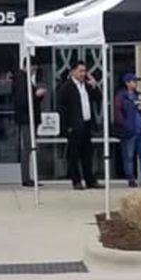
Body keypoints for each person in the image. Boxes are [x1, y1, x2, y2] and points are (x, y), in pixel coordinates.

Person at [58, 61, 102, 190]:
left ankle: (90, 180)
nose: (83, 74)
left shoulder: (87, 86)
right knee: (73, 155)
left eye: (84, 71)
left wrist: (95, 86)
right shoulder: (66, 87)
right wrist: (66, 127)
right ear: (73, 72)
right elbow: (62, 108)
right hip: (74, 126)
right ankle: (76, 180)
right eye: (80, 71)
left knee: (87, 154)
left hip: (86, 124)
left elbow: (98, 98)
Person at [114, 72, 141, 187]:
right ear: (127, 83)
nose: (135, 84)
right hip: (128, 132)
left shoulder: (138, 95)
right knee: (128, 156)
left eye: (136, 82)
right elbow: (117, 112)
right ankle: (130, 177)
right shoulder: (121, 96)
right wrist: (125, 125)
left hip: (140, 131)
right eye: (133, 81)